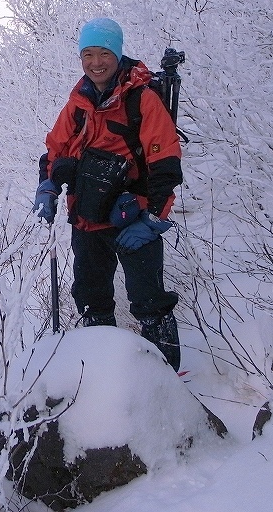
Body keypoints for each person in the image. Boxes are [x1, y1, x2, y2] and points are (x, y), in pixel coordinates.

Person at [33, 18, 184, 371]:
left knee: (149, 301)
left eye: (104, 53)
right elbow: (55, 149)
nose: (96, 62)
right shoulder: (79, 101)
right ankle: (101, 378)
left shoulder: (142, 101)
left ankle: (166, 379)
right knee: (90, 299)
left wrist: (152, 219)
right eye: (88, 54)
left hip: (133, 216)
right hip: (87, 217)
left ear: (117, 55)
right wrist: (48, 184)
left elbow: (166, 166)